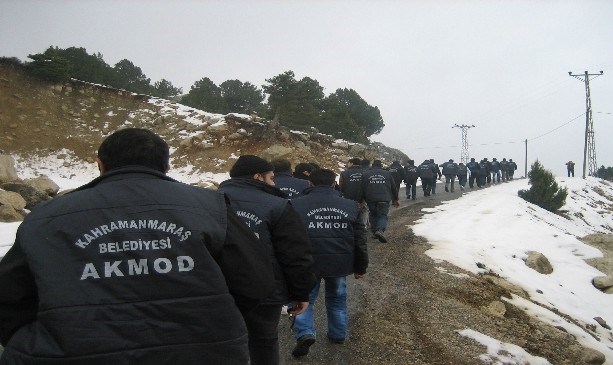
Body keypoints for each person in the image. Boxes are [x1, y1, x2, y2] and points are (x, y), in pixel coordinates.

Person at [0, 128, 276, 364]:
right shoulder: (209, 207)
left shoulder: (47, 216)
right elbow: (256, 281)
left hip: (75, 351)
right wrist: (216, 316)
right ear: (166, 168)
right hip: (201, 350)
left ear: (100, 164)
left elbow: (10, 297)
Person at [219, 155, 317, 365]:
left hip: (219, 287)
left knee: (221, 342)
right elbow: (295, 254)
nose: (274, 183)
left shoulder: (207, 200)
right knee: (264, 341)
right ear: (258, 177)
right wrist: (300, 293)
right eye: (271, 178)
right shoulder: (278, 205)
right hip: (265, 291)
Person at [289, 169, 369, 358]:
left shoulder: (294, 204)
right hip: (339, 262)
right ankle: (338, 333)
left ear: (310, 184)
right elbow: (360, 239)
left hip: (308, 263)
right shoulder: (352, 206)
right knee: (337, 299)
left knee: (304, 299)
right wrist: (361, 266)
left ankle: (305, 332)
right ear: (334, 184)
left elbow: (288, 238)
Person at [362, 160, 400, 243]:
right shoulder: (387, 174)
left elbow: (362, 188)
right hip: (384, 198)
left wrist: (361, 199)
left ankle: (374, 232)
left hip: (371, 198)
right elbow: (393, 187)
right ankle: (380, 230)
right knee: (382, 215)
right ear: (381, 166)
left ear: (372, 165)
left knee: (373, 214)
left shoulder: (366, 174)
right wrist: (395, 199)